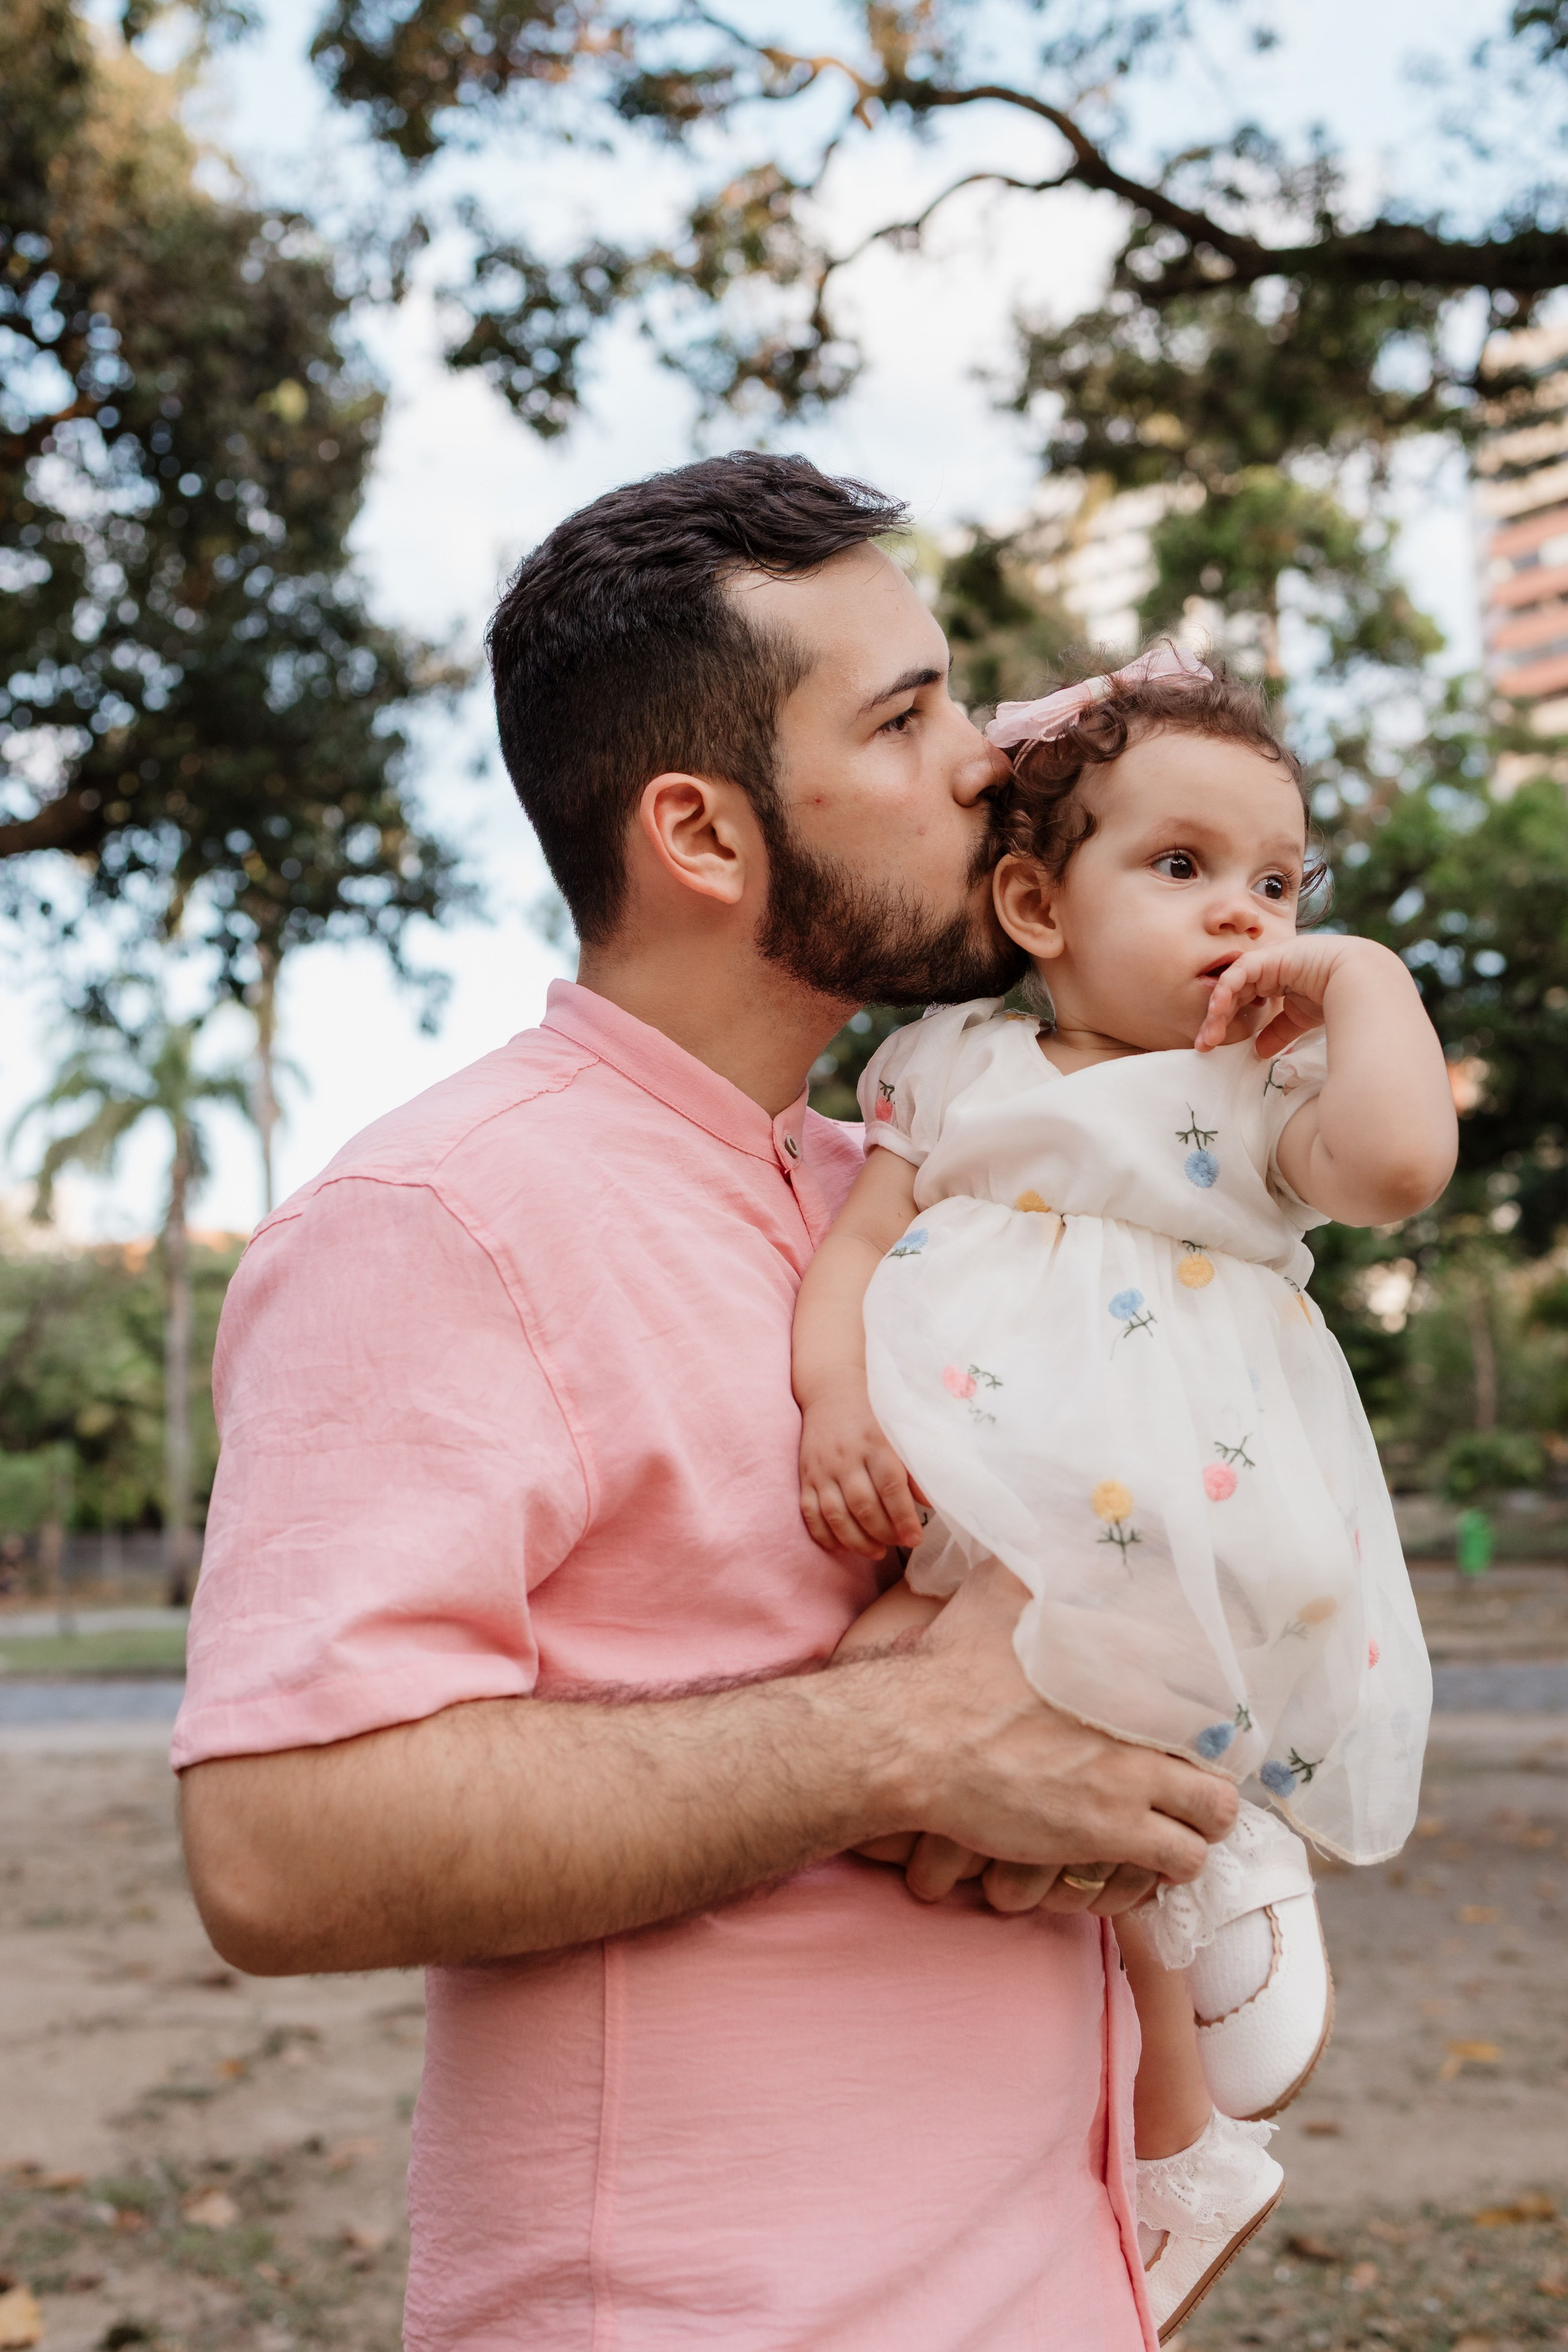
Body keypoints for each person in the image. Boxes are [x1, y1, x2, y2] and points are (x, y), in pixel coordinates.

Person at [173, 457, 1242, 2352]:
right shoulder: (445, 1216)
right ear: (703, 832)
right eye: (907, 720)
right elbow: (279, 1844)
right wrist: (898, 1741)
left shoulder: (922, 1188)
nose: (985, 764)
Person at [792, 642, 1456, 2338]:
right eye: (1181, 865)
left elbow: (1398, 1167)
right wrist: (833, 1403)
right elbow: (856, 1245)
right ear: (1037, 904)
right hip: (990, 1485)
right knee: (903, 1726)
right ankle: (1171, 2153)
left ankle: (1223, 1877)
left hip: (1185, 1505)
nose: (1243, 910)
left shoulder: (1263, 1090)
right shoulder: (951, 1063)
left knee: (1100, 1748)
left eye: (1279, 882)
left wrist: (1362, 977)